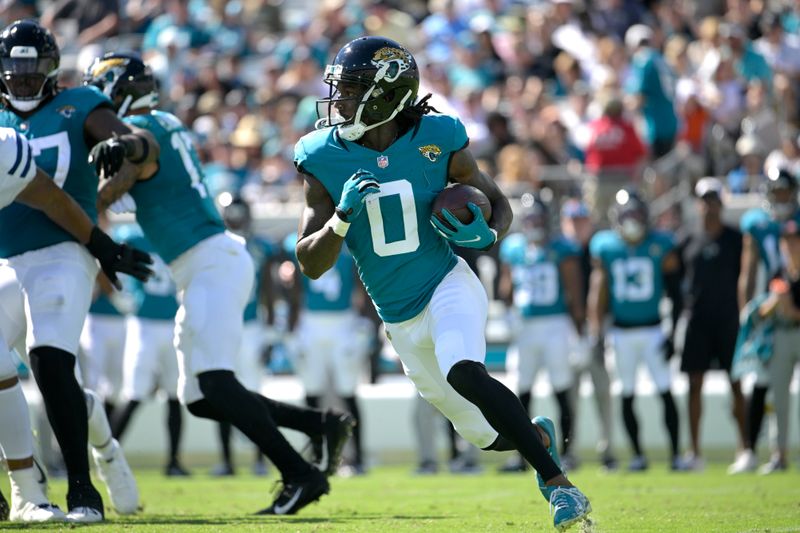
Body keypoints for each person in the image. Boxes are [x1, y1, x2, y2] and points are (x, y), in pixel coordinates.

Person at [294, 36, 591, 530]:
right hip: (398, 318)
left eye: (350, 90)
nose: (337, 101)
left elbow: (499, 202)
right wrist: (341, 218)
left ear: (385, 95)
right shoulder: (321, 155)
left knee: (463, 370)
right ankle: (534, 437)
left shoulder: (439, 137)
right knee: (487, 437)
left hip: (446, 283)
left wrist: (488, 233)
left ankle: (563, 489)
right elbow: (309, 262)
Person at [85, 52, 354, 515]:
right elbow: (110, 191)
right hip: (202, 268)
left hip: (212, 261)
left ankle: (300, 474)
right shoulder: (156, 126)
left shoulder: (152, 125)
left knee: (215, 382)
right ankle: (319, 425)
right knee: (200, 398)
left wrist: (118, 150)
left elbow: (139, 148)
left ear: (116, 92)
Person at [0, 19, 159, 522]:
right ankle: (40, 480)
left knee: (50, 364)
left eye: (35, 69)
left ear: (53, 69)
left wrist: (127, 146)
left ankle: (83, 490)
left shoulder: (79, 104)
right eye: (13, 69)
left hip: (63, 250)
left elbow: (139, 146)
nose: (23, 80)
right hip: (3, 258)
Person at [588, 189, 685, 471]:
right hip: (621, 333)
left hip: (654, 329)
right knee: (626, 393)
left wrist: (673, 332)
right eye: (626, 214)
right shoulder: (606, 246)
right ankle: (638, 455)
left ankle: (676, 455)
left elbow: (677, 294)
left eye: (636, 214)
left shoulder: (661, 244)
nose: (631, 220)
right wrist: (596, 333)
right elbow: (599, 292)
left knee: (665, 390)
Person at [496, 195, 583, 472]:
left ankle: (568, 451)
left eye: (538, 217)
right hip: (525, 326)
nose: (534, 222)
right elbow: (506, 287)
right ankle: (521, 453)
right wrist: (508, 312)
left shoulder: (562, 248)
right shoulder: (513, 248)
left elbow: (574, 291)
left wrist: (579, 330)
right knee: (521, 392)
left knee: (561, 389)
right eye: (529, 217)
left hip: (555, 323)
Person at [284, 232, 371, 476]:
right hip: (310, 322)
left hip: (344, 321)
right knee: (312, 393)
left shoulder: (351, 242)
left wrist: (365, 323)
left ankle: (358, 457)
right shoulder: (296, 242)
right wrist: (291, 329)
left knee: (348, 393)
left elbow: (361, 283)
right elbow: (293, 286)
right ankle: (316, 456)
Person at [677, 178, 746, 471]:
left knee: (737, 383)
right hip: (698, 320)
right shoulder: (687, 239)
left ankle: (746, 448)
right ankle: (694, 452)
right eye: (705, 200)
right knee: (694, 384)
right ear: (698, 204)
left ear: (722, 203)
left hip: (729, 319)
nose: (710, 206)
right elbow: (676, 279)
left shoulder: (736, 238)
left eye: (714, 200)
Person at [110, 225, 189, 477]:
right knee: (134, 393)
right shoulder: (130, 237)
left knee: (176, 395)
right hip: (143, 323)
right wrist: (122, 298)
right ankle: (108, 458)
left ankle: (174, 461)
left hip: (174, 321)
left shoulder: (179, 235)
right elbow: (108, 264)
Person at [737, 167, 800, 474]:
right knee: (766, 385)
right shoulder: (757, 224)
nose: (782, 198)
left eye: (785, 192)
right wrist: (746, 311)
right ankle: (760, 451)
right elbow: (748, 272)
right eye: (777, 192)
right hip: (777, 314)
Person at [212, 196, 275, 477]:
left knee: (255, 396)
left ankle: (260, 459)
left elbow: (269, 290)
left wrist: (271, 333)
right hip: (224, 326)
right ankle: (227, 460)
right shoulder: (214, 247)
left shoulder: (259, 247)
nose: (236, 220)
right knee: (222, 394)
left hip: (251, 327)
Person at [560, 198, 617, 470]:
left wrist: (599, 328)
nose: (577, 226)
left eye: (581, 221)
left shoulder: (599, 250)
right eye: (572, 221)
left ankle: (608, 447)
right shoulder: (560, 250)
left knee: (602, 391)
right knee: (569, 394)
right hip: (569, 331)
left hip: (599, 330)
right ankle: (570, 448)